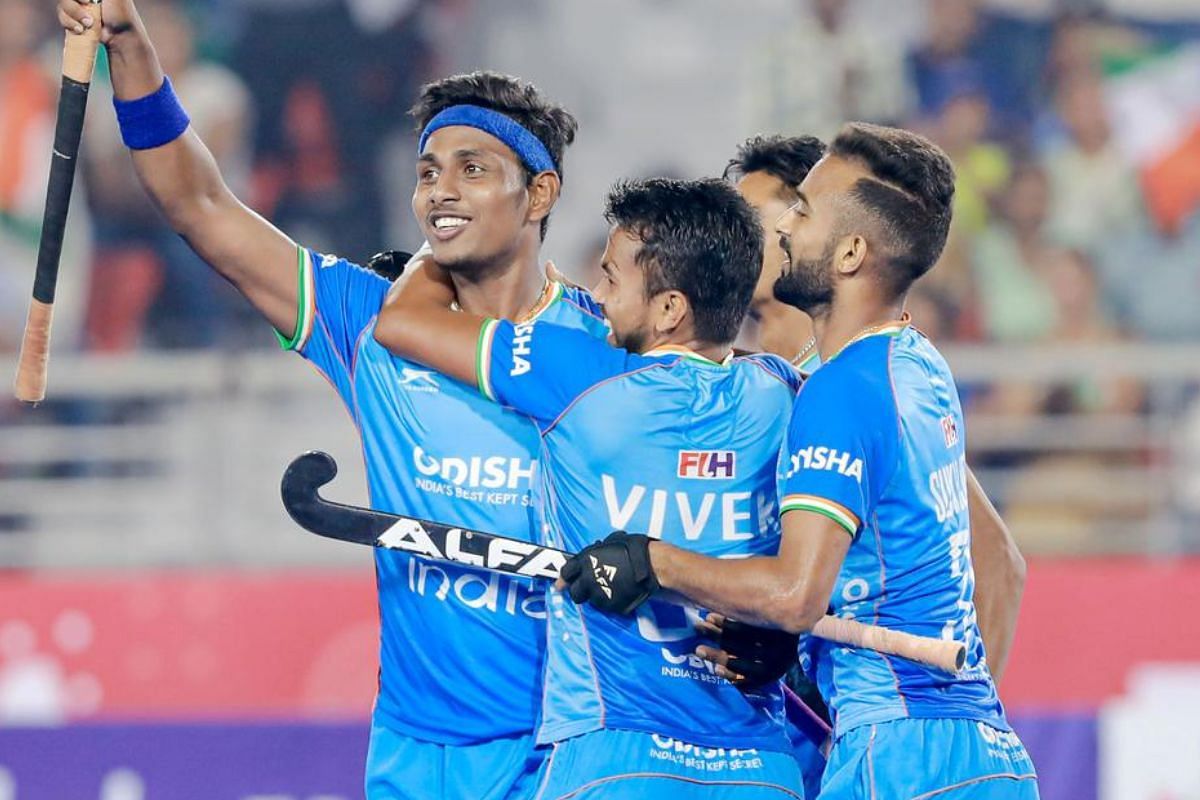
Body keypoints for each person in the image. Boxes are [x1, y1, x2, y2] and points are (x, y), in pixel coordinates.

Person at [54, 2, 609, 797]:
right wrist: (133, 51)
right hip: (414, 759)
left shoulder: (606, 348)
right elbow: (200, 207)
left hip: (569, 752)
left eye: (473, 169)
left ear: (541, 191)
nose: (439, 194)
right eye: (427, 171)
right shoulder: (368, 320)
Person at [566, 123, 1040, 798]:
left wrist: (655, 562)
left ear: (849, 251)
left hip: (897, 752)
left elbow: (798, 592)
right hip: (973, 749)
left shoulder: (838, 390)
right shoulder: (913, 363)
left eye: (795, 212)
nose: (779, 229)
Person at [376, 177, 807, 797]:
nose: (597, 297)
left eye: (609, 278)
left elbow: (401, 322)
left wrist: (431, 265)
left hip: (615, 760)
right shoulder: (784, 391)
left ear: (668, 310)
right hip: (761, 770)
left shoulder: (572, 375)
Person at [726, 133, 1025, 686]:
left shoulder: (861, 382)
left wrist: (963, 707)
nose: (723, 238)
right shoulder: (740, 378)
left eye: (747, 221)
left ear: (841, 239)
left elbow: (999, 563)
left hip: (875, 733)